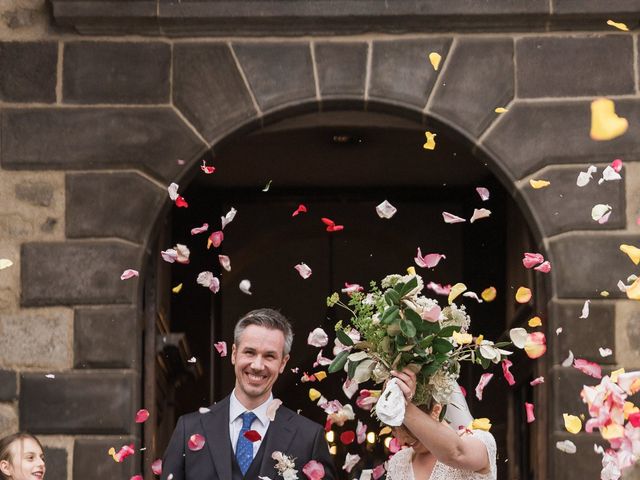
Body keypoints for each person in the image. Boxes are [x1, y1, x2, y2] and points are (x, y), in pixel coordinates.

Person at [162, 308, 337, 480]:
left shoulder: (309, 438)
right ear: (234, 354)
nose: (257, 365)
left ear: (283, 363)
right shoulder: (189, 429)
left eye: (269, 356)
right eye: (249, 352)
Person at [385, 368, 497, 480]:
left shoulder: (480, 440)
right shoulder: (398, 462)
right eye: (393, 427)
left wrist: (403, 405)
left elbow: (456, 454)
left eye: (407, 425)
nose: (400, 441)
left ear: (436, 410)